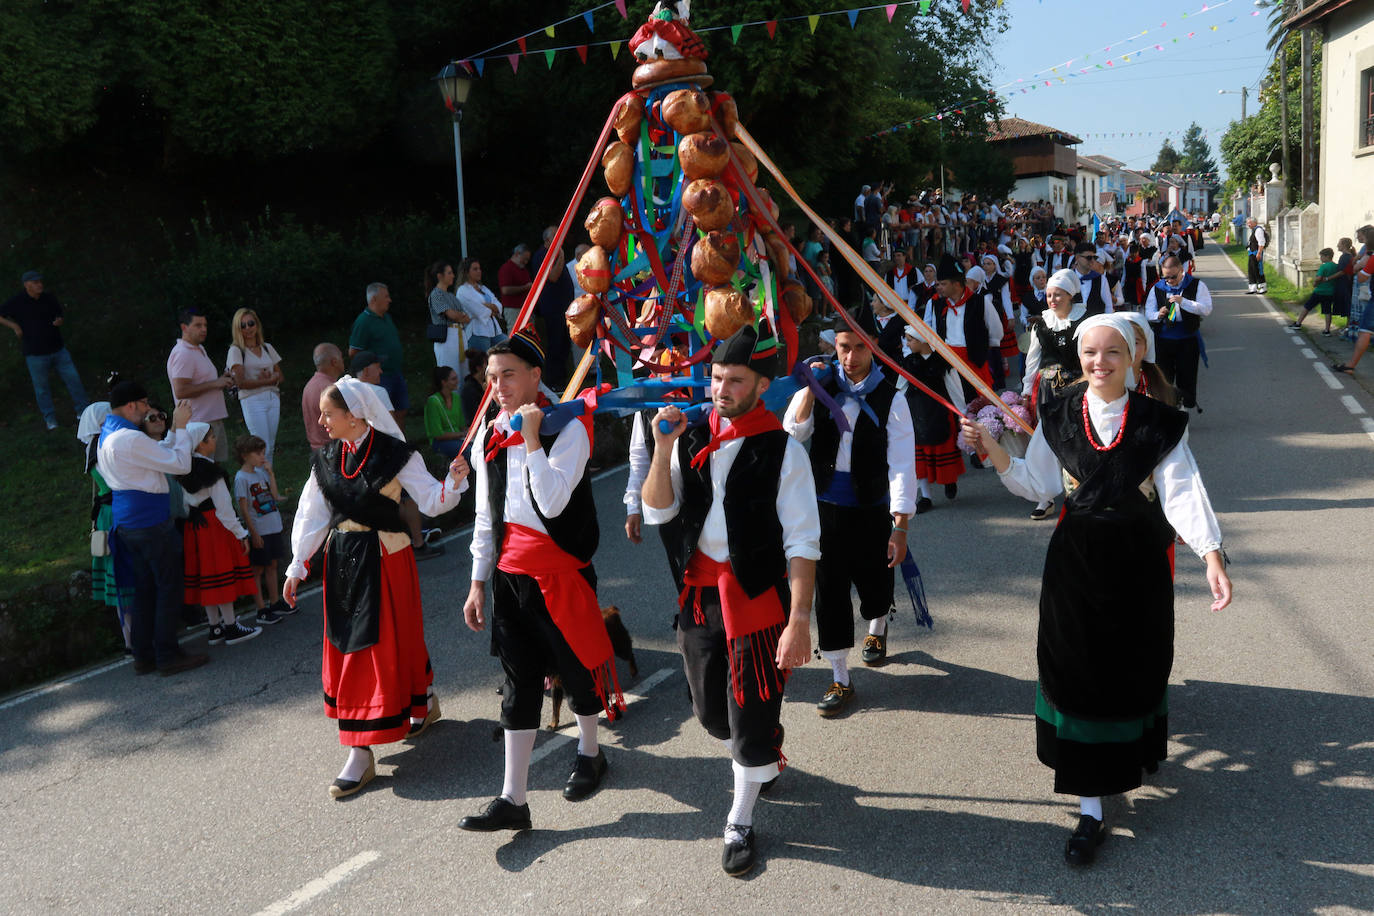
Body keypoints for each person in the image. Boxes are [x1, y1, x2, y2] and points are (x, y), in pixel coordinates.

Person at [960, 313, 1232, 868]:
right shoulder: (1058, 415)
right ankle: (1090, 809)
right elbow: (1037, 484)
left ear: (1134, 359)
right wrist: (993, 447)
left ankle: (1134, 756)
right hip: (1075, 568)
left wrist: (1211, 556)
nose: (1099, 363)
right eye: (1090, 353)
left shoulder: (1160, 422)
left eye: (1112, 353)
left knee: (1133, 668)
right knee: (1077, 673)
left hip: (1137, 567)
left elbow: (1182, 493)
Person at [642, 321, 820, 877]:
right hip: (699, 594)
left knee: (745, 721)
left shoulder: (783, 451)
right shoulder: (690, 434)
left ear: (762, 385)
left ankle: (739, 820)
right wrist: (663, 446)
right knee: (712, 717)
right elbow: (657, 511)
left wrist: (798, 621)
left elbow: (803, 542)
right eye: (717, 377)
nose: (722, 389)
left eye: (736, 380)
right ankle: (760, 739)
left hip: (756, 598)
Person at [459, 329, 621, 833]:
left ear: (535, 376)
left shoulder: (569, 426)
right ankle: (514, 798)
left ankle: (591, 752)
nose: (499, 386)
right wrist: (477, 582)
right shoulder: (489, 432)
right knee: (518, 680)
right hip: (509, 575)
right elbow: (485, 515)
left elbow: (550, 502)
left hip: (559, 570)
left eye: (508, 375)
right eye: (491, 377)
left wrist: (531, 439)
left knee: (575, 670)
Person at [283, 377, 470, 798]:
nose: (321, 420)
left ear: (354, 416)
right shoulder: (327, 458)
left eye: (329, 413)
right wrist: (297, 566)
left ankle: (365, 749)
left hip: (386, 559)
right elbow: (311, 515)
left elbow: (434, 500)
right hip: (343, 560)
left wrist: (455, 481)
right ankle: (383, 729)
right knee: (356, 648)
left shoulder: (395, 454)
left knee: (385, 644)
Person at [784, 308, 914, 715]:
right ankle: (840, 676)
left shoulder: (891, 397)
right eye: (844, 347)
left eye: (860, 347)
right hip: (824, 509)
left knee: (875, 586)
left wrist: (900, 526)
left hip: (871, 507)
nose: (851, 356)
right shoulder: (821, 386)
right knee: (831, 592)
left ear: (872, 348)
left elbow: (902, 464)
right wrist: (810, 387)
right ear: (832, 346)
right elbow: (794, 431)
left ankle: (878, 625)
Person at [97, 381, 209, 676]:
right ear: (131, 405)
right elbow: (181, 465)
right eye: (145, 404)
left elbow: (159, 453)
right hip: (149, 522)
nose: (148, 410)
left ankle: (144, 655)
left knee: (145, 590)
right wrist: (182, 427)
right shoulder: (129, 439)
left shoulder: (109, 434)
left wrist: (174, 434)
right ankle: (168, 655)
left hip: (129, 522)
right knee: (168, 588)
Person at [346, 352, 445, 562]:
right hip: (385, 453)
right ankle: (418, 542)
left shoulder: (342, 393)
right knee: (408, 499)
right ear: (365, 371)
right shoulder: (377, 391)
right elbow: (391, 427)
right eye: (376, 366)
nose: (381, 371)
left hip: (358, 458)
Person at [178, 422, 261, 645]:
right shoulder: (211, 470)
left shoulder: (184, 468)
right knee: (220, 574)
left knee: (206, 576)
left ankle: (215, 628)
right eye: (211, 437)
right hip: (214, 525)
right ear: (201, 443)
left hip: (195, 526)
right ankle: (231, 626)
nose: (215, 440)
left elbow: (186, 504)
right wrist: (241, 533)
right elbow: (224, 508)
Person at [0, 270, 89, 430]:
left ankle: (83, 412)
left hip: (58, 349)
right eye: (35, 282)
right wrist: (14, 326)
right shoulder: (17, 302)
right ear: (27, 285)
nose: (39, 284)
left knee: (74, 380)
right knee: (42, 388)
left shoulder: (49, 298)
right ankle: (50, 419)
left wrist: (59, 321)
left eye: (40, 281)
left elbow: (59, 315)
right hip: (35, 354)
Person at [79, 400, 132, 650]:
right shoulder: (105, 445)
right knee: (126, 571)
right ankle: (134, 638)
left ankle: (130, 638)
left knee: (118, 573)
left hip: (106, 513)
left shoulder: (90, 448)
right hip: (117, 512)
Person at [235, 434, 294, 625]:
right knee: (257, 569)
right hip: (259, 530)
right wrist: (253, 533)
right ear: (245, 455)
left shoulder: (261, 473)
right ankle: (261, 609)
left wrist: (271, 474)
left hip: (273, 526)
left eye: (263, 452)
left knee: (273, 565)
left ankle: (275, 602)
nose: (262, 457)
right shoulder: (241, 478)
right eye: (258, 453)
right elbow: (244, 508)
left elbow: (274, 495)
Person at [167, 308, 233, 462]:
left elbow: (203, 383)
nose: (203, 329)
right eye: (198, 325)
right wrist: (215, 383)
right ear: (184, 327)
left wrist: (222, 380)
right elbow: (181, 391)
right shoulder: (183, 353)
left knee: (218, 471)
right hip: (198, 424)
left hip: (211, 420)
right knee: (205, 474)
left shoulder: (199, 349)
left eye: (205, 325)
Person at [1151, 253, 1213, 412]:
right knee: (1163, 378)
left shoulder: (1197, 285)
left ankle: (1184, 410)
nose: (1169, 281)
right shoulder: (1157, 288)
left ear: (1181, 270)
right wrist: (1158, 314)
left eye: (1173, 277)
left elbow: (1206, 309)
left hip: (1187, 339)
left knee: (1187, 376)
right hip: (1163, 340)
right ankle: (1167, 409)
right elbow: (1147, 311)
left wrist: (1183, 302)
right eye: (1166, 277)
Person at [226, 307, 284, 464]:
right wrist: (268, 380)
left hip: (272, 397)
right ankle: (260, 483)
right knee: (260, 446)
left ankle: (268, 482)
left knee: (270, 446)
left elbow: (280, 376)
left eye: (250, 323)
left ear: (257, 325)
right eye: (242, 326)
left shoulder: (267, 348)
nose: (248, 328)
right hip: (253, 400)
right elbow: (241, 383)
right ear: (237, 329)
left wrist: (272, 378)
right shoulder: (236, 350)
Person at [348, 283, 408, 430]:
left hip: (395, 372)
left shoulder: (386, 317)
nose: (390, 300)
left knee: (401, 409)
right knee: (384, 413)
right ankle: (388, 443)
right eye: (386, 296)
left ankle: (400, 443)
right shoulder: (363, 322)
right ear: (374, 299)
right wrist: (370, 366)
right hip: (380, 377)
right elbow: (353, 353)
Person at [456, 258, 508, 353]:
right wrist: (493, 309)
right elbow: (479, 311)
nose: (479, 271)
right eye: (475, 269)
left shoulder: (483, 288)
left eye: (479, 269)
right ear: (467, 272)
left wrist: (488, 306)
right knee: (483, 363)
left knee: (509, 347)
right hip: (478, 332)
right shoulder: (463, 290)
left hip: (494, 331)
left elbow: (499, 306)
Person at [427, 260, 468, 373]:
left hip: (460, 334)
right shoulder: (436, 294)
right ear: (440, 276)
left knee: (464, 371)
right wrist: (458, 316)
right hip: (446, 337)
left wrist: (458, 316)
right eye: (449, 273)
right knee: (450, 372)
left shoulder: (451, 296)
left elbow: (466, 317)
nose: (453, 276)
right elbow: (452, 315)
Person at [302, 343, 345, 452]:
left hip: (317, 450)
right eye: (341, 357)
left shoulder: (310, 385)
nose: (343, 360)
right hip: (333, 451)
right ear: (334, 362)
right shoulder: (330, 389)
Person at [1292, 248, 1342, 335]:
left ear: (1327, 256)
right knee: (1327, 311)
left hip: (1319, 291)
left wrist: (1315, 283)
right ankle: (1327, 330)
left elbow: (1319, 278)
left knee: (1307, 307)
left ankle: (1298, 323)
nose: (1321, 258)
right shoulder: (1335, 266)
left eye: (1322, 256)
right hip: (1330, 292)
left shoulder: (1324, 266)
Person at [424, 365, 466, 461]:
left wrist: (470, 432)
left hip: (458, 438)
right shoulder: (433, 401)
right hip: (440, 443)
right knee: (468, 450)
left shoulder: (456, 398)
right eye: (453, 379)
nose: (457, 381)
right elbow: (438, 435)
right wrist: (462, 434)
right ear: (444, 382)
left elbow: (461, 424)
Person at [497, 244, 533, 328]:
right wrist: (525, 287)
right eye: (524, 259)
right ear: (517, 254)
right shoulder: (506, 268)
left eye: (527, 260)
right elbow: (505, 290)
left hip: (525, 308)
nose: (526, 262)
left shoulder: (523, 269)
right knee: (515, 335)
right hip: (513, 309)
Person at [1245, 217, 1268, 294]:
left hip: (1256, 253)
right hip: (1251, 253)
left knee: (1258, 270)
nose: (1248, 224)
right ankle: (1253, 287)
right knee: (1251, 270)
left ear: (1255, 223)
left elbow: (1261, 242)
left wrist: (1259, 253)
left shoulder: (1258, 230)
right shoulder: (1254, 230)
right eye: (1248, 223)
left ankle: (1262, 287)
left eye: (1250, 223)